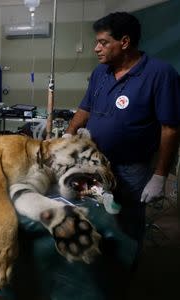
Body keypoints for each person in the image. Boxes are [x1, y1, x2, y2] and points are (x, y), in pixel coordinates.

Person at [65, 12, 180, 247]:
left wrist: (160, 176)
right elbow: (85, 108)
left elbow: (170, 129)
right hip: (96, 161)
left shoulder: (159, 74)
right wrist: (68, 134)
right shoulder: (100, 73)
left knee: (128, 221)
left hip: (133, 168)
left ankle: (128, 266)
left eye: (103, 42)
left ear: (125, 42)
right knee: (96, 212)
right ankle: (105, 258)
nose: (96, 48)